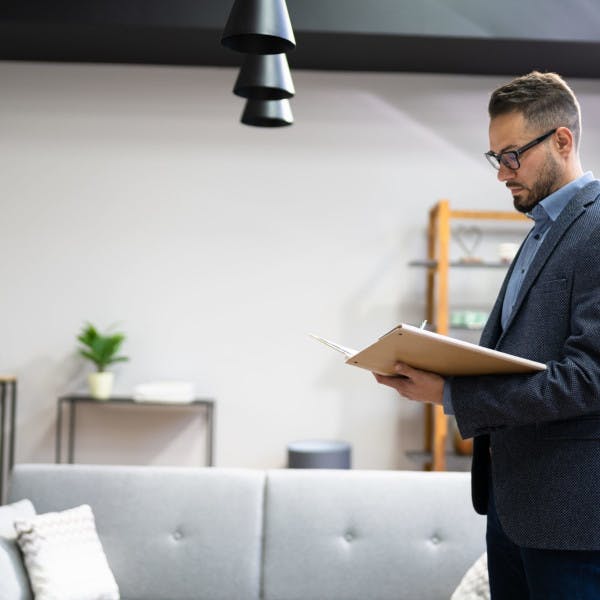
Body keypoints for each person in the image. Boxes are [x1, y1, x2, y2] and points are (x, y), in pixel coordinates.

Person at [375, 71, 600, 599]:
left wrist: (452, 393)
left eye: (512, 155)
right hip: (512, 505)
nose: (502, 174)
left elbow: (589, 377)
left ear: (562, 141)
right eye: (495, 157)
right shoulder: (544, 230)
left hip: (571, 520)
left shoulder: (597, 228)